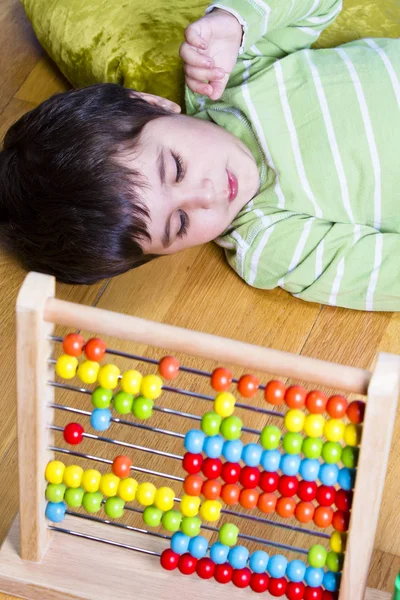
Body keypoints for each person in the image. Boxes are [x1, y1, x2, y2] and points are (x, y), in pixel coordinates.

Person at [1, 0, 400, 311]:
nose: (207, 196)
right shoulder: (269, 240)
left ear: (154, 103)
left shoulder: (229, 75)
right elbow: (383, 272)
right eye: (180, 222)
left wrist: (234, 24)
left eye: (176, 167)